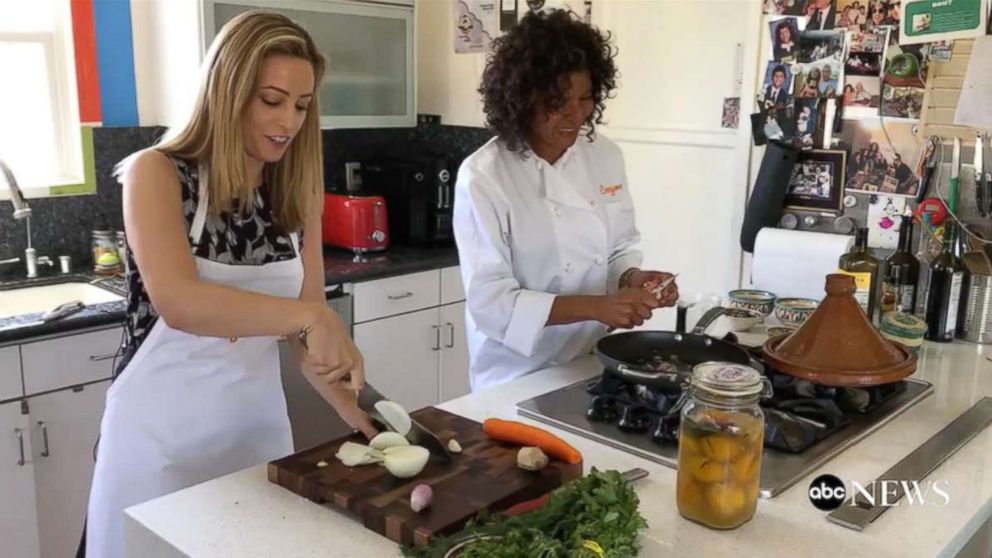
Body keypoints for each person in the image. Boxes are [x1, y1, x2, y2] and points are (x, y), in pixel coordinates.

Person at [84, 12, 375, 557]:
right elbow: (181, 303)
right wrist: (311, 316)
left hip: (253, 434)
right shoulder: (158, 174)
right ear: (228, 90)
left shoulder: (297, 193)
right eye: (272, 100)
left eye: (302, 105)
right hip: (158, 444)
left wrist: (363, 415)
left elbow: (303, 337)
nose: (288, 120)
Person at [453, 10, 679, 392]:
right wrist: (598, 307)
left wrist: (634, 278)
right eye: (557, 102)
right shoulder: (485, 176)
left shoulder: (604, 155)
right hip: (514, 374)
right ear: (522, 99)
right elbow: (492, 304)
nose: (576, 116)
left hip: (591, 360)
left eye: (585, 98)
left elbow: (617, 249)